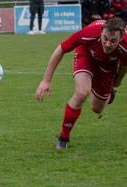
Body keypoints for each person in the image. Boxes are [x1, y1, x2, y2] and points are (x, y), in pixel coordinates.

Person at [35, 18, 127, 150]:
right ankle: (64, 137)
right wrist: (46, 80)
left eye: (113, 41)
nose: (107, 44)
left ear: (121, 38)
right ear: (101, 33)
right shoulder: (89, 32)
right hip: (86, 55)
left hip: (108, 66)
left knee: (97, 109)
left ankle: (107, 93)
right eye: (105, 38)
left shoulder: (126, 44)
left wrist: (116, 82)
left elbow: (124, 64)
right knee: (82, 92)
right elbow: (61, 49)